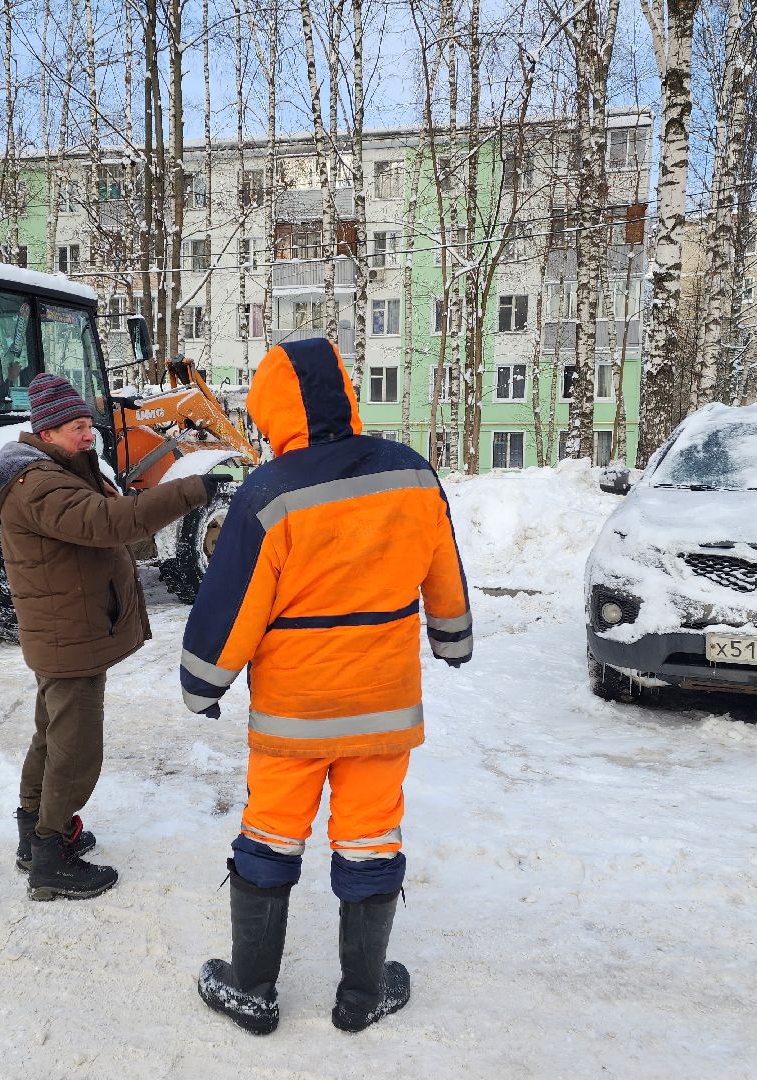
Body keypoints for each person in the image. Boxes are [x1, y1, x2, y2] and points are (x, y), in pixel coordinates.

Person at [179, 337, 471, 1034]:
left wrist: (202, 683)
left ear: (272, 411)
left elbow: (234, 604)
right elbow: (444, 575)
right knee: (370, 837)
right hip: (382, 708)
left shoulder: (270, 494)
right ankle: (362, 995)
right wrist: (452, 641)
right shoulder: (410, 473)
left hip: (294, 718)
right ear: (346, 393)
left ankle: (252, 991)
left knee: (272, 834)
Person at [0, 373, 226, 900]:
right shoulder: (39, 483)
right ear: (49, 431)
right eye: (78, 427)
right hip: (69, 634)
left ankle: (34, 836)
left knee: (53, 736)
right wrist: (194, 489)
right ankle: (51, 858)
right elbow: (111, 523)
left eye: (89, 425)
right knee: (76, 750)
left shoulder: (54, 469)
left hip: (67, 629)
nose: (90, 436)